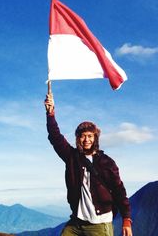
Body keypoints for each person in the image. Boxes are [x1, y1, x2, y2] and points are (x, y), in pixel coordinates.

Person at [44, 93, 133, 236]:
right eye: (82, 136)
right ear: (78, 138)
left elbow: (119, 190)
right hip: (77, 222)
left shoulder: (106, 162)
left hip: (99, 224)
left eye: (90, 136)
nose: (86, 139)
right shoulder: (72, 157)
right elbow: (55, 137)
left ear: (95, 138)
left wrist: (126, 219)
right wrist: (50, 113)